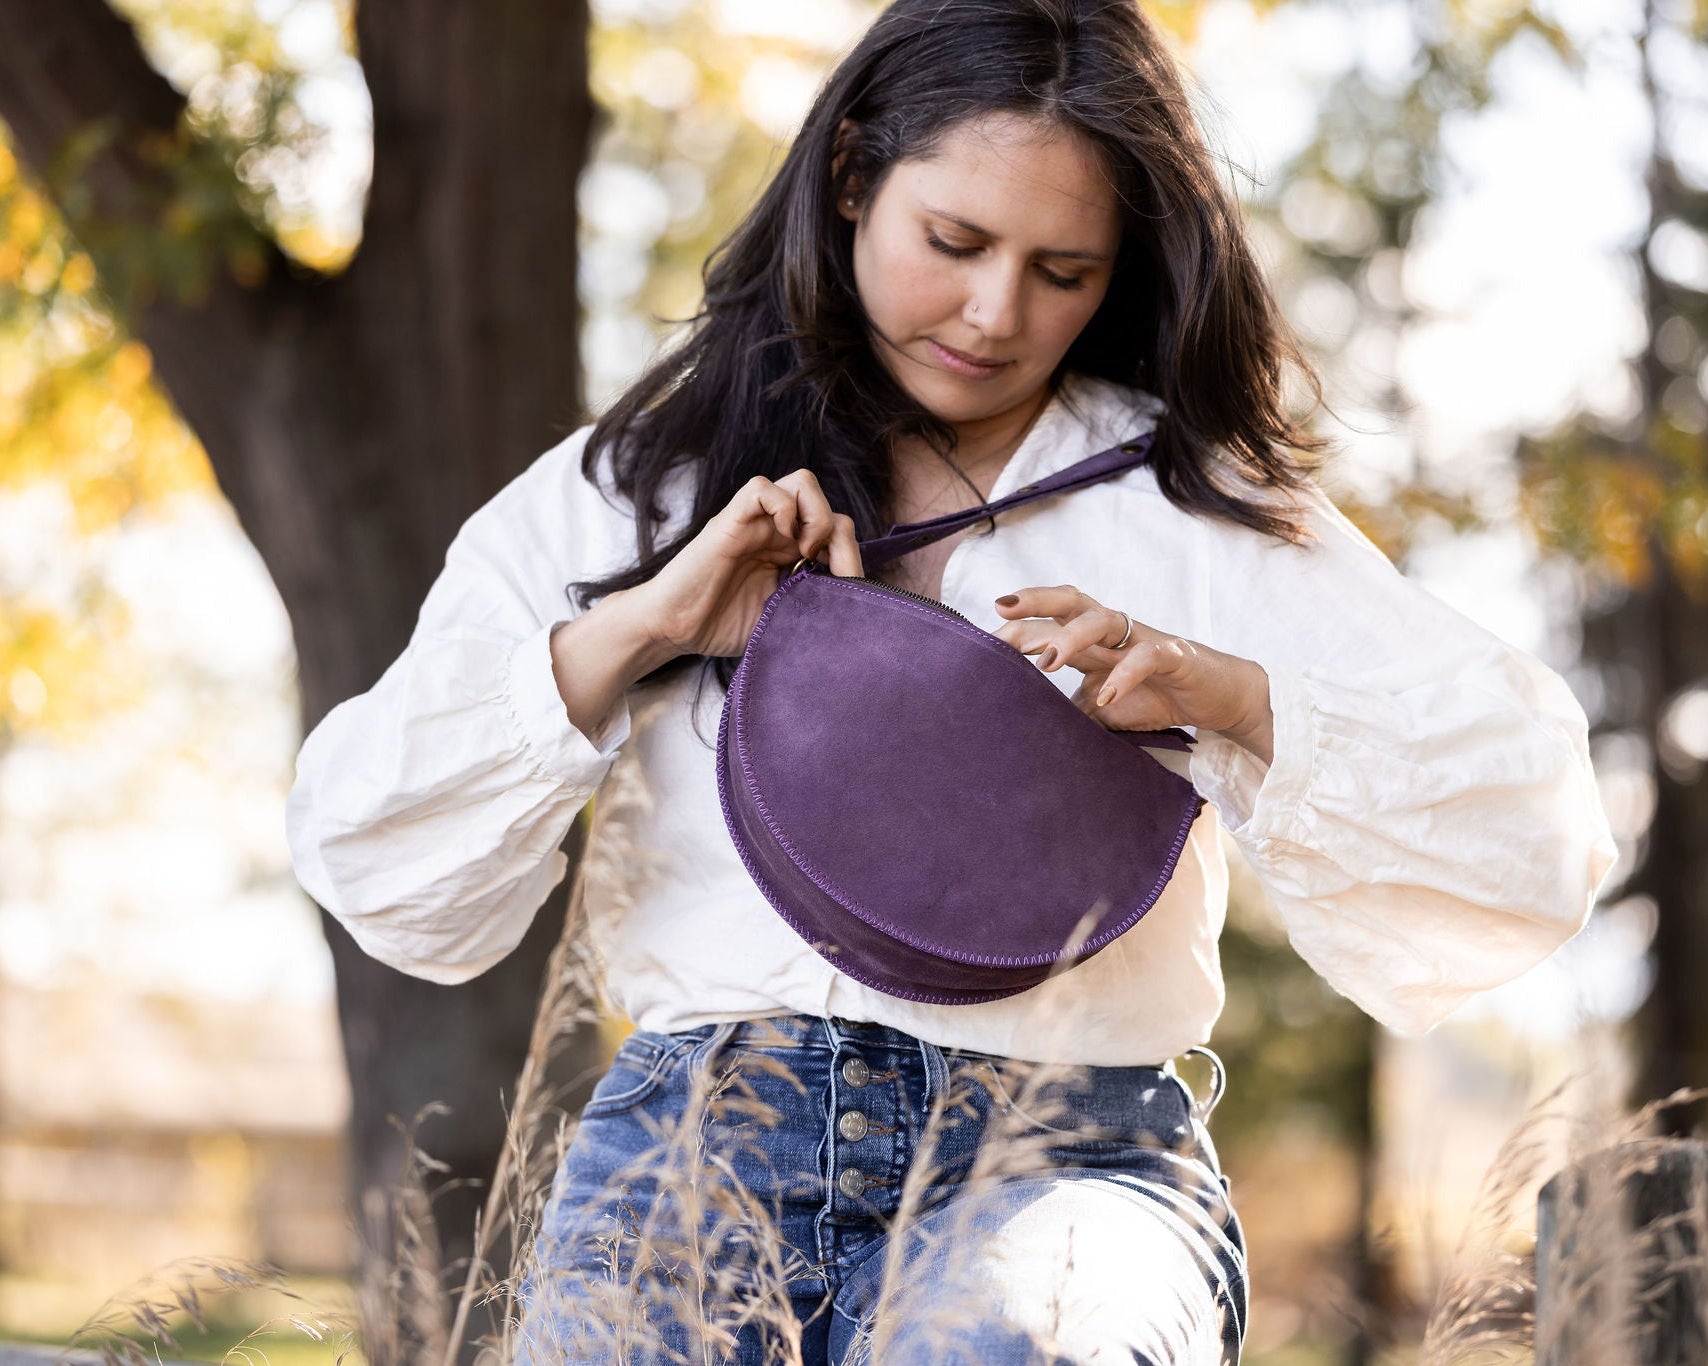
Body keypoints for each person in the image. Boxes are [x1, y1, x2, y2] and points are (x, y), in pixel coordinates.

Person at [285, 0, 1620, 1360]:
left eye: (1065, 269)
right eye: (955, 242)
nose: (996, 313)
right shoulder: (649, 481)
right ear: (854, 175)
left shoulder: (1194, 506)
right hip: (689, 1148)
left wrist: (1233, 698)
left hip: (1074, 1162)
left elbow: (1536, 841)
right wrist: (639, 625)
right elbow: (372, 859)